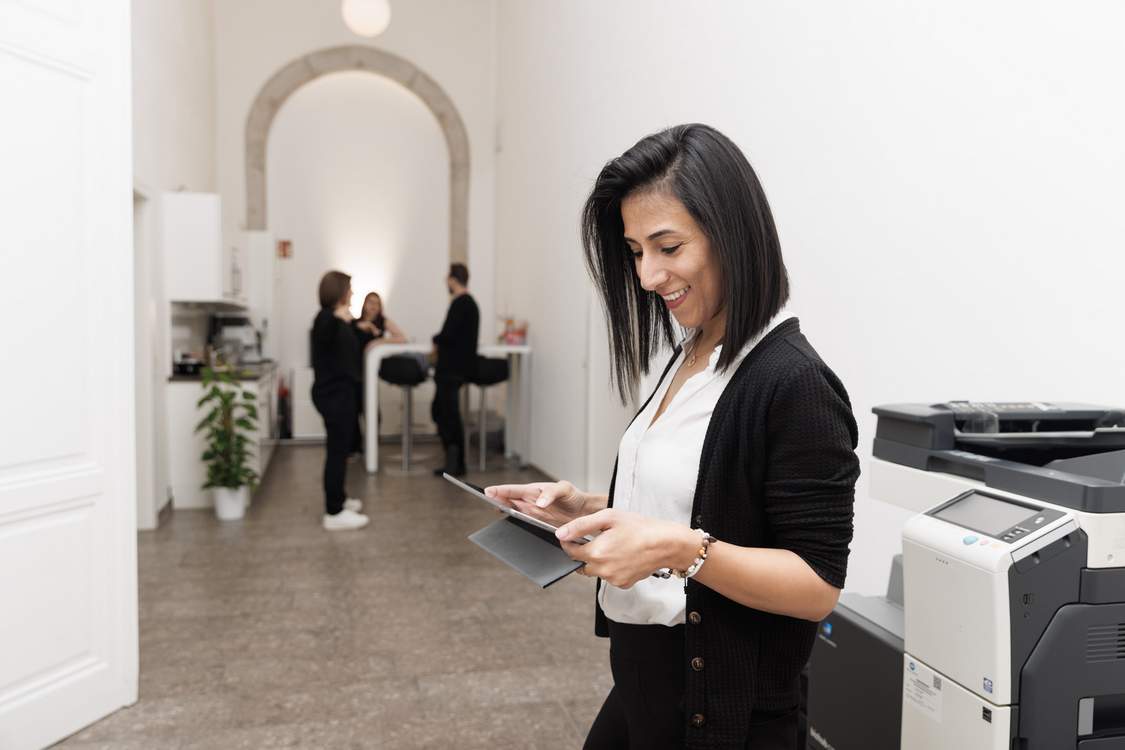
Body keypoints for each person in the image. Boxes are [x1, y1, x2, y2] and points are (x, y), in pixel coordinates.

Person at [485, 124, 859, 749]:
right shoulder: (692, 354)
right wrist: (592, 511)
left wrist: (679, 553)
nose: (647, 276)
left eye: (667, 246)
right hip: (646, 678)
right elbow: (697, 506)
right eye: (635, 251)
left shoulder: (793, 383)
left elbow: (817, 587)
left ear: (732, 234)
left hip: (723, 709)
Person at [310, 270, 370, 531]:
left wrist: (356, 325)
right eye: (350, 289)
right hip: (333, 395)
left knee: (340, 450)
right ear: (339, 291)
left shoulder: (337, 320)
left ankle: (340, 499)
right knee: (337, 453)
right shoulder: (325, 319)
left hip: (340, 393)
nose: (353, 293)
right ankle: (333, 512)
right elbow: (327, 332)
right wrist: (342, 320)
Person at [430, 262, 479, 477]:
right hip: (454, 369)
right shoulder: (468, 303)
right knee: (442, 411)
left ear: (452, 279)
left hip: (451, 370)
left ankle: (455, 464)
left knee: (447, 414)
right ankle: (454, 462)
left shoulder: (462, 303)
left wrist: (435, 339)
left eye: (446, 278)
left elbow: (448, 335)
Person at [350, 292, 407, 455]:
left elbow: (402, 338)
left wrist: (378, 341)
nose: (373, 306)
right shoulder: (355, 323)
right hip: (354, 372)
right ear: (364, 304)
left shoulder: (383, 322)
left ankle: (372, 445)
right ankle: (355, 448)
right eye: (370, 302)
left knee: (372, 411)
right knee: (353, 411)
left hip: (369, 375)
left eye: (377, 303)